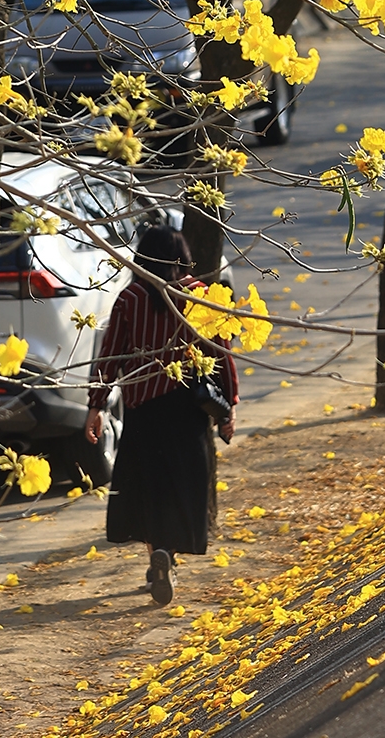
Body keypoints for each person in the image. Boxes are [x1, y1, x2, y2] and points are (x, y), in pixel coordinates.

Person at [85, 224, 237, 608]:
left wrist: (96, 405)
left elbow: (110, 356)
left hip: (143, 411)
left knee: (149, 488)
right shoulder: (200, 296)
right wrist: (229, 405)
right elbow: (221, 352)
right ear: (183, 258)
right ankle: (169, 552)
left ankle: (158, 554)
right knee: (183, 486)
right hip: (189, 411)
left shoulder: (130, 298)